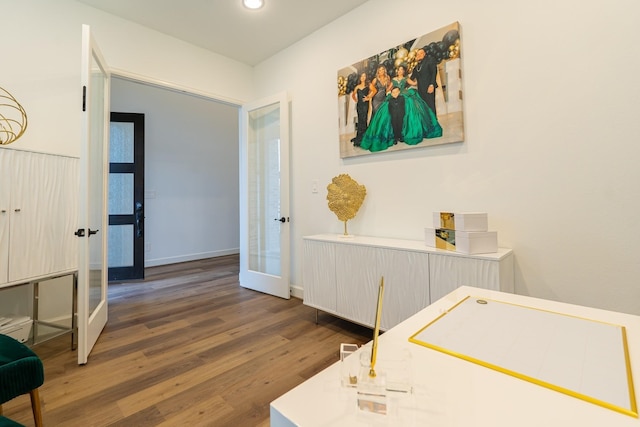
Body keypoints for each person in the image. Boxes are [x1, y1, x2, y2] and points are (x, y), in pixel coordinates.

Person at [359, 65, 442, 152]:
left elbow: (414, 83)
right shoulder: (393, 79)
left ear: (403, 71)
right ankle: (393, 135)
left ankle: (404, 133)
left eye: (402, 70)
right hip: (394, 95)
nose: (400, 71)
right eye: (399, 70)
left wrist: (420, 76)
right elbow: (388, 89)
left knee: (408, 111)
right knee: (388, 114)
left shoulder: (406, 78)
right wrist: (388, 93)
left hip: (403, 95)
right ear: (397, 71)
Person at [409, 47, 438, 116]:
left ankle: (434, 123)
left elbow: (434, 72)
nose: (419, 55)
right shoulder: (417, 66)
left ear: (424, 54)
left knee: (431, 106)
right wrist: (403, 81)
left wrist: (432, 84)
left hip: (429, 88)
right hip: (420, 90)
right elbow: (412, 77)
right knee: (424, 107)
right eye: (418, 54)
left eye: (421, 53)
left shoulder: (430, 60)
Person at [350, 72, 370, 146]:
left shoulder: (368, 85)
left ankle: (364, 137)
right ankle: (359, 136)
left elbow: (374, 91)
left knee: (364, 120)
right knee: (360, 120)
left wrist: (368, 97)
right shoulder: (357, 86)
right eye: (362, 76)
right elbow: (353, 94)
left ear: (366, 77)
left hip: (365, 105)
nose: (363, 77)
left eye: (364, 76)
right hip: (359, 105)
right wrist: (355, 99)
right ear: (360, 78)